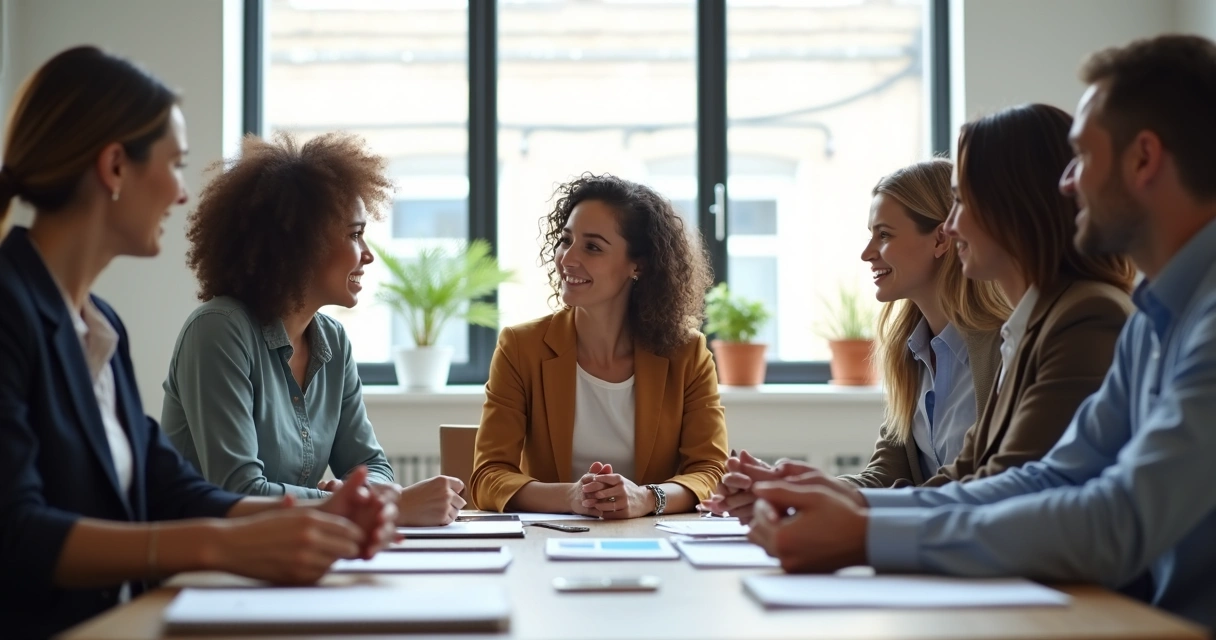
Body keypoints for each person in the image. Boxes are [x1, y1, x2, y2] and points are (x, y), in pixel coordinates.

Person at [745, 34, 1216, 630]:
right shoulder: (1152, 319)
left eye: (1082, 158)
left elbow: (1117, 519)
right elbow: (1050, 477)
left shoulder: (1145, 316)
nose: (1067, 184)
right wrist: (859, 513)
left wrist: (867, 535)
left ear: (1144, 160)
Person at [0, 46, 396, 638]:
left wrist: (318, 515)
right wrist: (226, 543)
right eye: (176, 164)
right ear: (114, 168)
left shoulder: (97, 323)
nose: (184, 194)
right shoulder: (10, 308)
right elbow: (16, 531)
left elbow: (169, 485)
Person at [710, 104, 1136, 522]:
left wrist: (837, 510)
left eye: (962, 204)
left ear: (1013, 208)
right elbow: (964, 475)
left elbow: (1006, 484)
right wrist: (803, 492)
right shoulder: (943, 343)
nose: (952, 226)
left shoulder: (1075, 318)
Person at [161, 132, 465, 526]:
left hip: (286, 556)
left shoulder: (333, 342)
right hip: (203, 567)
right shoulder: (218, 331)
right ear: (301, 244)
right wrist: (374, 506)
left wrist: (351, 496)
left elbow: (373, 467)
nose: (369, 255)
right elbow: (237, 491)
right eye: (355, 235)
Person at [706, 160, 1008, 523]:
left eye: (884, 235)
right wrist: (787, 489)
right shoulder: (908, 354)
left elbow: (975, 483)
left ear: (941, 239)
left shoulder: (1003, 348)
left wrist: (802, 492)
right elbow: (884, 477)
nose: (867, 252)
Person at [470, 173, 728, 518]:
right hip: (551, 542)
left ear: (638, 264)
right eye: (566, 240)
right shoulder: (520, 347)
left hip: (657, 544)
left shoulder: (687, 353)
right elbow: (488, 477)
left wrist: (646, 498)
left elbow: (711, 471)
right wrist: (573, 498)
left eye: (592, 247)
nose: (567, 258)